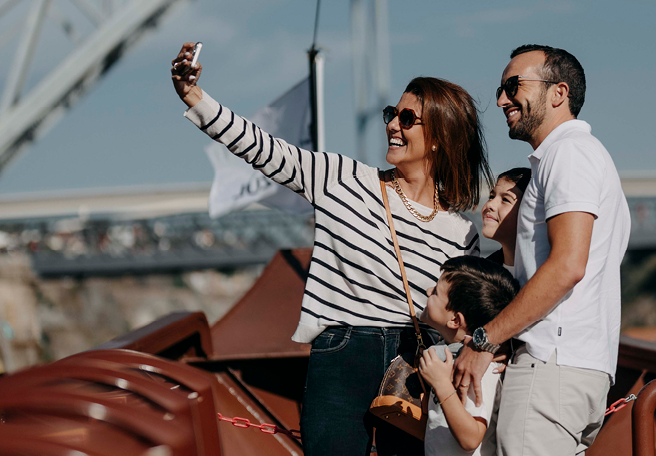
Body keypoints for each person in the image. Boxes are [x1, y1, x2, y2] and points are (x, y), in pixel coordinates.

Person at [170, 43, 493, 456]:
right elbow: (264, 149)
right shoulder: (343, 178)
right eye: (391, 114)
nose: (393, 124)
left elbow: (471, 317)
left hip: (416, 369)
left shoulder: (460, 234)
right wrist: (195, 96)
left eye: (408, 118)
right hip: (342, 353)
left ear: (439, 139)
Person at [453, 44, 631, 455]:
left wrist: (482, 341)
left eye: (513, 86)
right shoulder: (578, 157)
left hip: (551, 366)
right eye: (500, 88)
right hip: (577, 369)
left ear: (558, 93)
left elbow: (568, 266)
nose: (501, 99)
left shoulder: (568, 153)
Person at [418, 256, 518, 456]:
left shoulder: (480, 369)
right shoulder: (450, 354)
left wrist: (442, 385)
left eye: (436, 293)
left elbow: (471, 438)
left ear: (455, 319)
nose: (428, 292)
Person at [482, 168, 530, 271]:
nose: (490, 204)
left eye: (505, 199)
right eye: (491, 196)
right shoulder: (482, 273)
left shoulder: (546, 269)